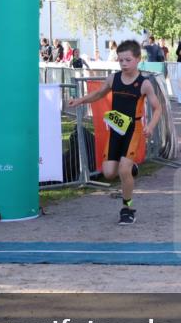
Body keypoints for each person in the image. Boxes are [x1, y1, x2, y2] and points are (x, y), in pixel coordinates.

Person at [66, 40, 161, 225]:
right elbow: (99, 94)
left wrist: (151, 126)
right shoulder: (113, 79)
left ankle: (127, 208)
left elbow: (157, 108)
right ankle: (131, 168)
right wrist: (80, 100)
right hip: (117, 129)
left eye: (128, 60)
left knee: (123, 170)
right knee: (109, 173)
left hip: (133, 130)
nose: (124, 64)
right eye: (120, 60)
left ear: (138, 60)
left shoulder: (144, 84)